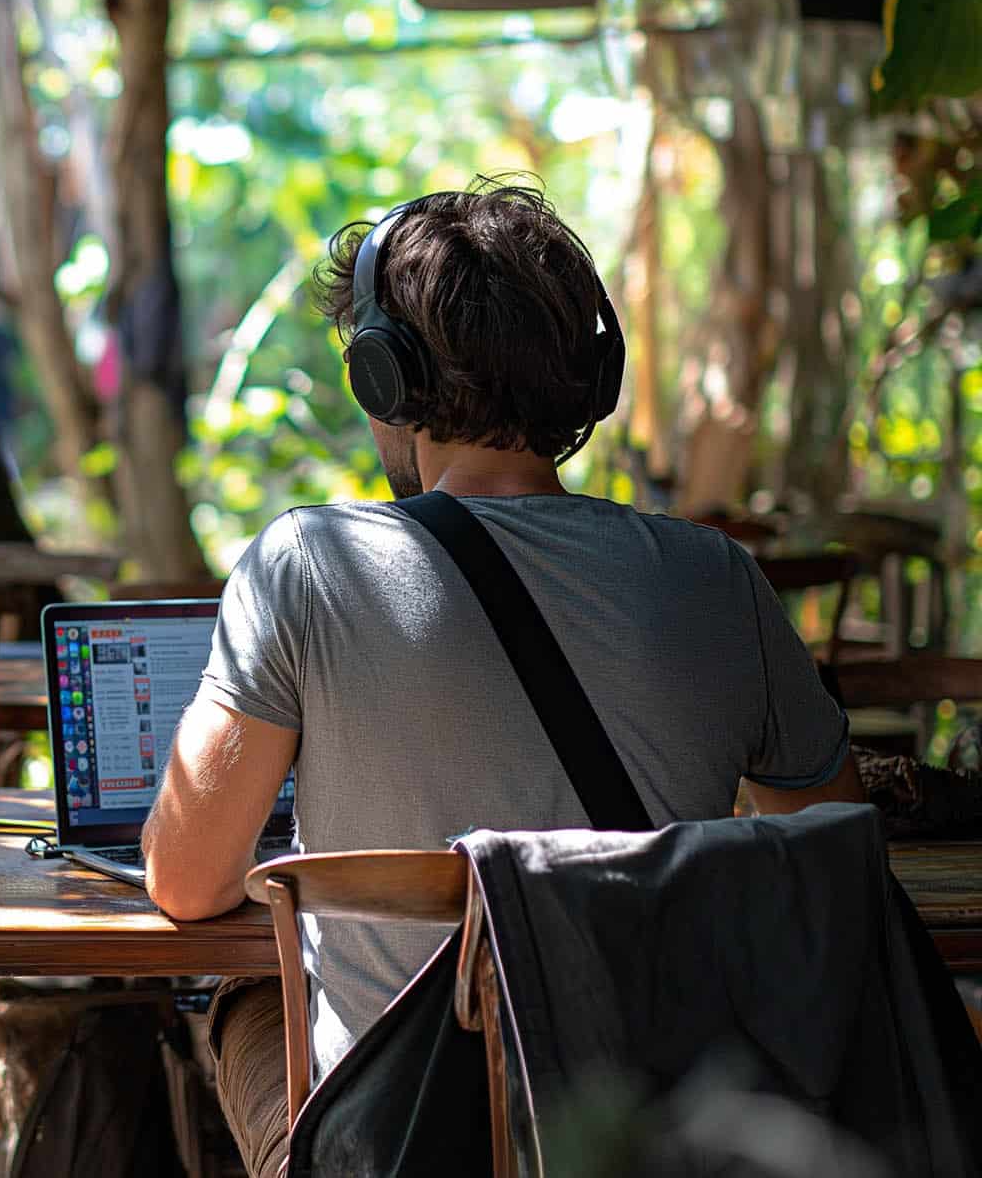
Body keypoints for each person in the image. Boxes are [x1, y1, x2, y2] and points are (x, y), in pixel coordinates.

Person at [138, 180, 865, 1177]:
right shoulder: (717, 578)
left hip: (400, 1151)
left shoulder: (305, 564)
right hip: (645, 1143)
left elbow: (185, 884)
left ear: (383, 378)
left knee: (242, 999)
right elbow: (827, 857)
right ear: (593, 373)